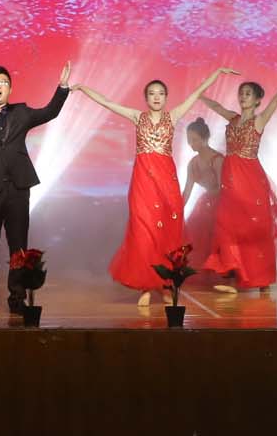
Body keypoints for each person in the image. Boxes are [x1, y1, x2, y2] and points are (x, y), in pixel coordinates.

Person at [73, 67, 233, 305]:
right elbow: (107, 102)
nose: (156, 97)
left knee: (167, 233)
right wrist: (83, 87)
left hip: (166, 183)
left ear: (166, 97)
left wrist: (217, 72)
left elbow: (197, 92)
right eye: (152, 93)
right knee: (143, 233)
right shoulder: (137, 116)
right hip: (143, 183)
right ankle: (145, 286)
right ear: (146, 98)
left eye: (160, 93)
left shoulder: (173, 116)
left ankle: (165, 285)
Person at [0, 61, 73, 316]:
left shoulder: (21, 113)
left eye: (3, 83)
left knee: (18, 247)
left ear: (10, 89)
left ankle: (17, 298)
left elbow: (49, 112)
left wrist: (62, 88)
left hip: (18, 189)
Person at [200, 76, 277, 295]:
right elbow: (216, 106)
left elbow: (275, 102)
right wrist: (199, 96)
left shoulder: (259, 120)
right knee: (226, 227)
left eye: (248, 93)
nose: (243, 96)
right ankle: (230, 276)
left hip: (251, 181)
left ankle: (262, 278)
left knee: (254, 229)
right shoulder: (233, 118)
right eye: (241, 93)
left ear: (257, 100)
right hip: (230, 180)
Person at [181, 117, 224, 280]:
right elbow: (187, 191)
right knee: (197, 234)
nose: (191, 144)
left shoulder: (217, 159)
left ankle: (224, 272)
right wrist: (176, 210)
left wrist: (213, 203)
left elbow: (224, 187)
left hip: (222, 203)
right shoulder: (192, 163)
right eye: (189, 140)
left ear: (205, 139)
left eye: (194, 140)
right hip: (206, 203)